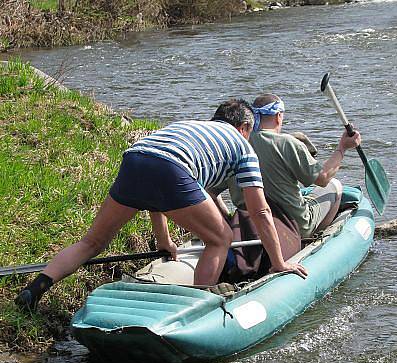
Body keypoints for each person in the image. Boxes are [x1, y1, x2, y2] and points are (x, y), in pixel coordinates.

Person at [15, 98, 307, 311]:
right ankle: (197, 304)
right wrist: (279, 262)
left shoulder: (188, 126)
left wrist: (164, 240)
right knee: (221, 239)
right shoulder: (243, 147)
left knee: (92, 242)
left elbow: (156, 198)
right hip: (171, 169)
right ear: (245, 126)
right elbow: (260, 210)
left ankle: (35, 290)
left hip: (135, 159)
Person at [226, 93, 362, 239]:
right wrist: (342, 148)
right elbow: (323, 179)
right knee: (335, 185)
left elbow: (212, 192)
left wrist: (227, 221)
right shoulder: (288, 143)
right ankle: (310, 239)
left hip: (250, 226)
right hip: (293, 225)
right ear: (278, 116)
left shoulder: (235, 144)